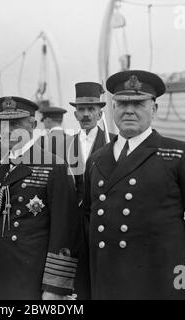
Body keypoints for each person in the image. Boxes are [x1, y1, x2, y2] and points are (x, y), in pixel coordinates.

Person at [84, 70, 185, 299]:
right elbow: (87, 222)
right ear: (113, 109)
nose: (129, 110)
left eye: (139, 103)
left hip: (161, 280)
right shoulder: (97, 159)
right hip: (106, 279)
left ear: (154, 109)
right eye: (121, 103)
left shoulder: (181, 155)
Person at [0, 96, 80, 300]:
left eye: (16, 123)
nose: (8, 130)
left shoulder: (54, 166)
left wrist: (55, 286)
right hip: (1, 275)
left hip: (34, 276)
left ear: (33, 125)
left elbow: (65, 229)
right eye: (4, 123)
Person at [68, 82, 114, 300]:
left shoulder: (114, 143)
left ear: (100, 112)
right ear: (75, 113)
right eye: (82, 110)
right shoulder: (64, 145)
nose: (86, 114)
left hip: (106, 224)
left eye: (91, 109)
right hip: (75, 226)